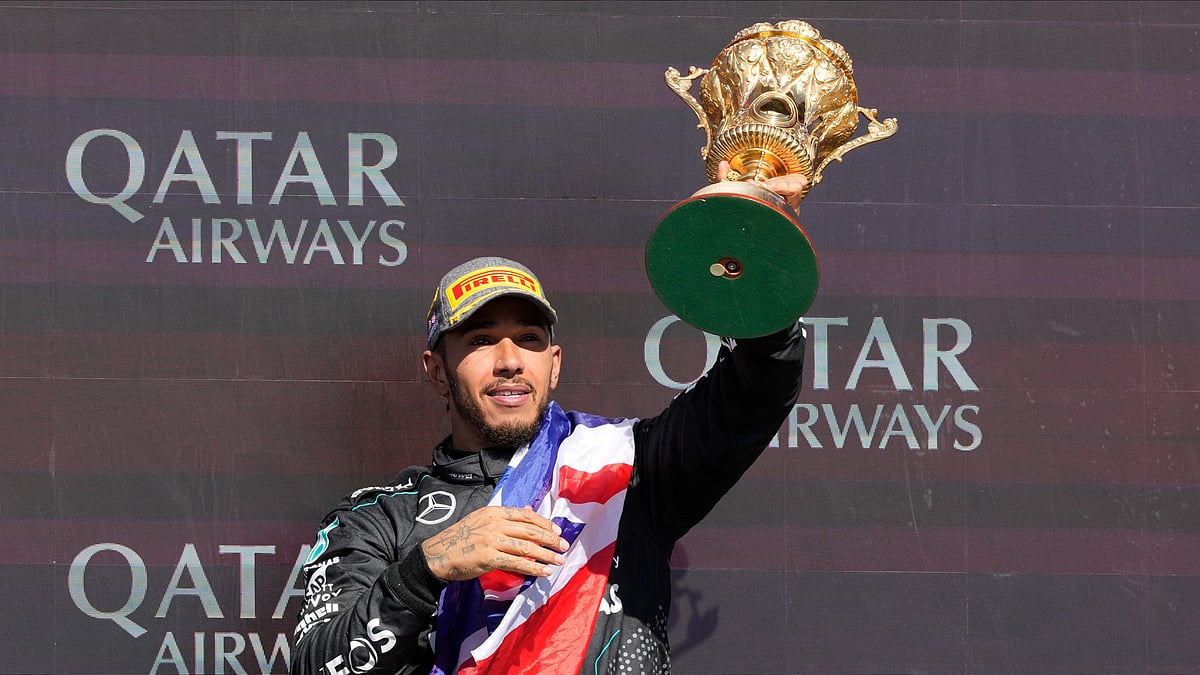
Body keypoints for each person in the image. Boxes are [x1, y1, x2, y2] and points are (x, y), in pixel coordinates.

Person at [291, 168, 809, 675]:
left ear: (554, 364)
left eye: (530, 340)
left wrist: (755, 249)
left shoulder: (630, 468)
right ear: (437, 370)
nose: (511, 359)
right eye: (480, 340)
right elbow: (316, 665)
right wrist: (424, 571)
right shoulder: (377, 519)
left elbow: (752, 391)